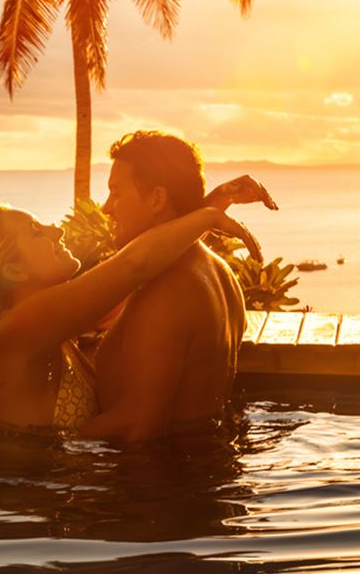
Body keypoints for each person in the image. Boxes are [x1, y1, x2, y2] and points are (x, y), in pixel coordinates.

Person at [0, 177, 270, 434]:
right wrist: (207, 217)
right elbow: (133, 265)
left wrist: (198, 208)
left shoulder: (58, 326)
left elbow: (136, 272)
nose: (57, 230)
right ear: (13, 271)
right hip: (14, 510)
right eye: (36, 232)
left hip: (44, 501)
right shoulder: (10, 333)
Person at [84, 132, 274, 442]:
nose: (106, 208)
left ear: (157, 199)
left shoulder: (166, 290)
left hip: (159, 482)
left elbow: (138, 426)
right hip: (201, 463)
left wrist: (52, 441)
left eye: (116, 193)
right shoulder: (218, 272)